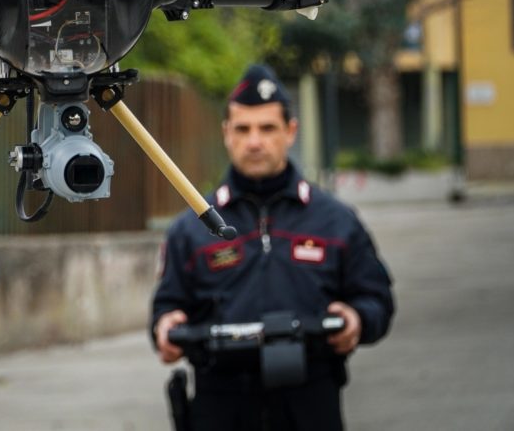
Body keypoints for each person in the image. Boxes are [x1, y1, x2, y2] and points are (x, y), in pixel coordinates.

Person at [150, 64, 394, 431]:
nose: (254, 142)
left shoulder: (336, 221)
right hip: (220, 404)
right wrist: (165, 327)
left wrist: (357, 319)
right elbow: (167, 306)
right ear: (226, 134)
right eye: (243, 129)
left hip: (309, 402)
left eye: (267, 128)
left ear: (290, 131)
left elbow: (377, 299)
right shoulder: (192, 229)